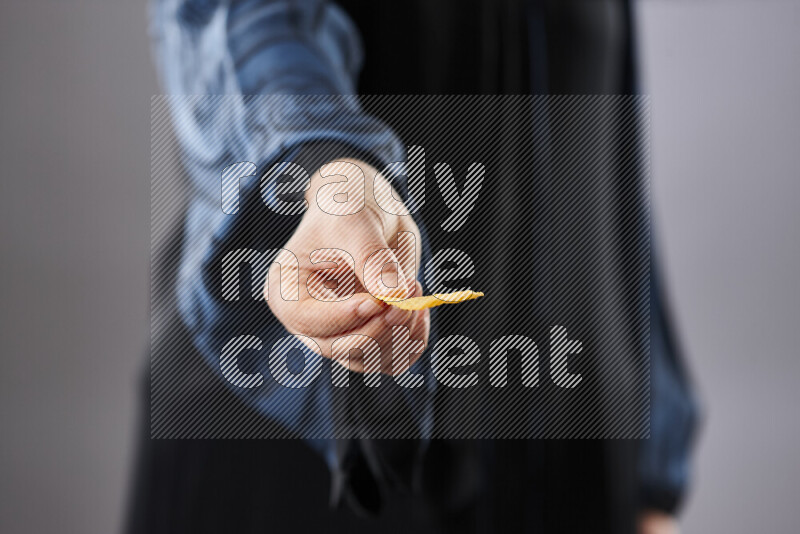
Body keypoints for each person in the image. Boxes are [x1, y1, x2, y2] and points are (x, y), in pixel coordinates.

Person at [128, 1, 698, 533]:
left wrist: (649, 475)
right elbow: (249, 27)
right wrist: (326, 169)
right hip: (294, 450)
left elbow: (609, 182)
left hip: (566, 475)